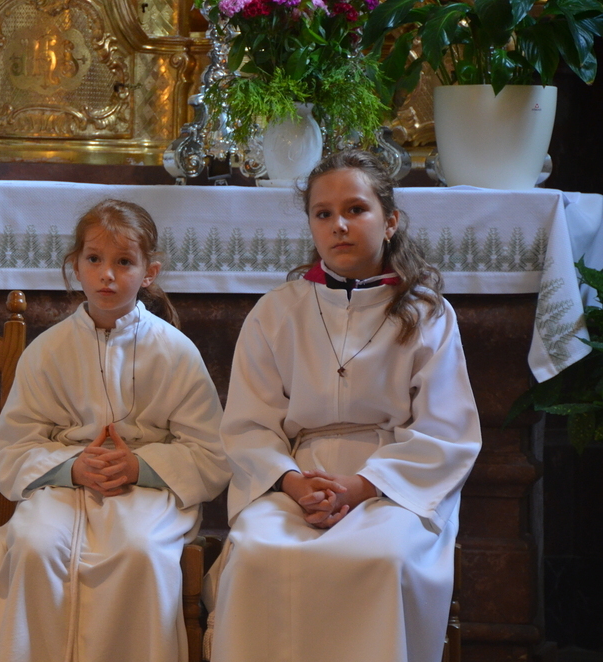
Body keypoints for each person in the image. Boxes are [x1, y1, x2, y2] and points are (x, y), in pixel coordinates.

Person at [206, 150, 482, 662]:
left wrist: (361, 487)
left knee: (380, 558)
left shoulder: (427, 313)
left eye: (356, 209)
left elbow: (445, 430)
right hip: (297, 478)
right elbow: (248, 424)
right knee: (259, 554)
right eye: (323, 213)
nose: (339, 225)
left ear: (390, 220)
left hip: (394, 485)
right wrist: (295, 483)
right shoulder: (276, 311)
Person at [0, 198, 232, 662]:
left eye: (124, 262)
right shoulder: (48, 350)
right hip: (61, 486)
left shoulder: (175, 352)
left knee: (139, 553)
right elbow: (12, 447)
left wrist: (138, 466)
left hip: (147, 490)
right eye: (94, 259)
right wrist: (72, 467)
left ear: (150, 272)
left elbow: (210, 451)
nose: (107, 275)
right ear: (75, 266)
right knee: (35, 548)